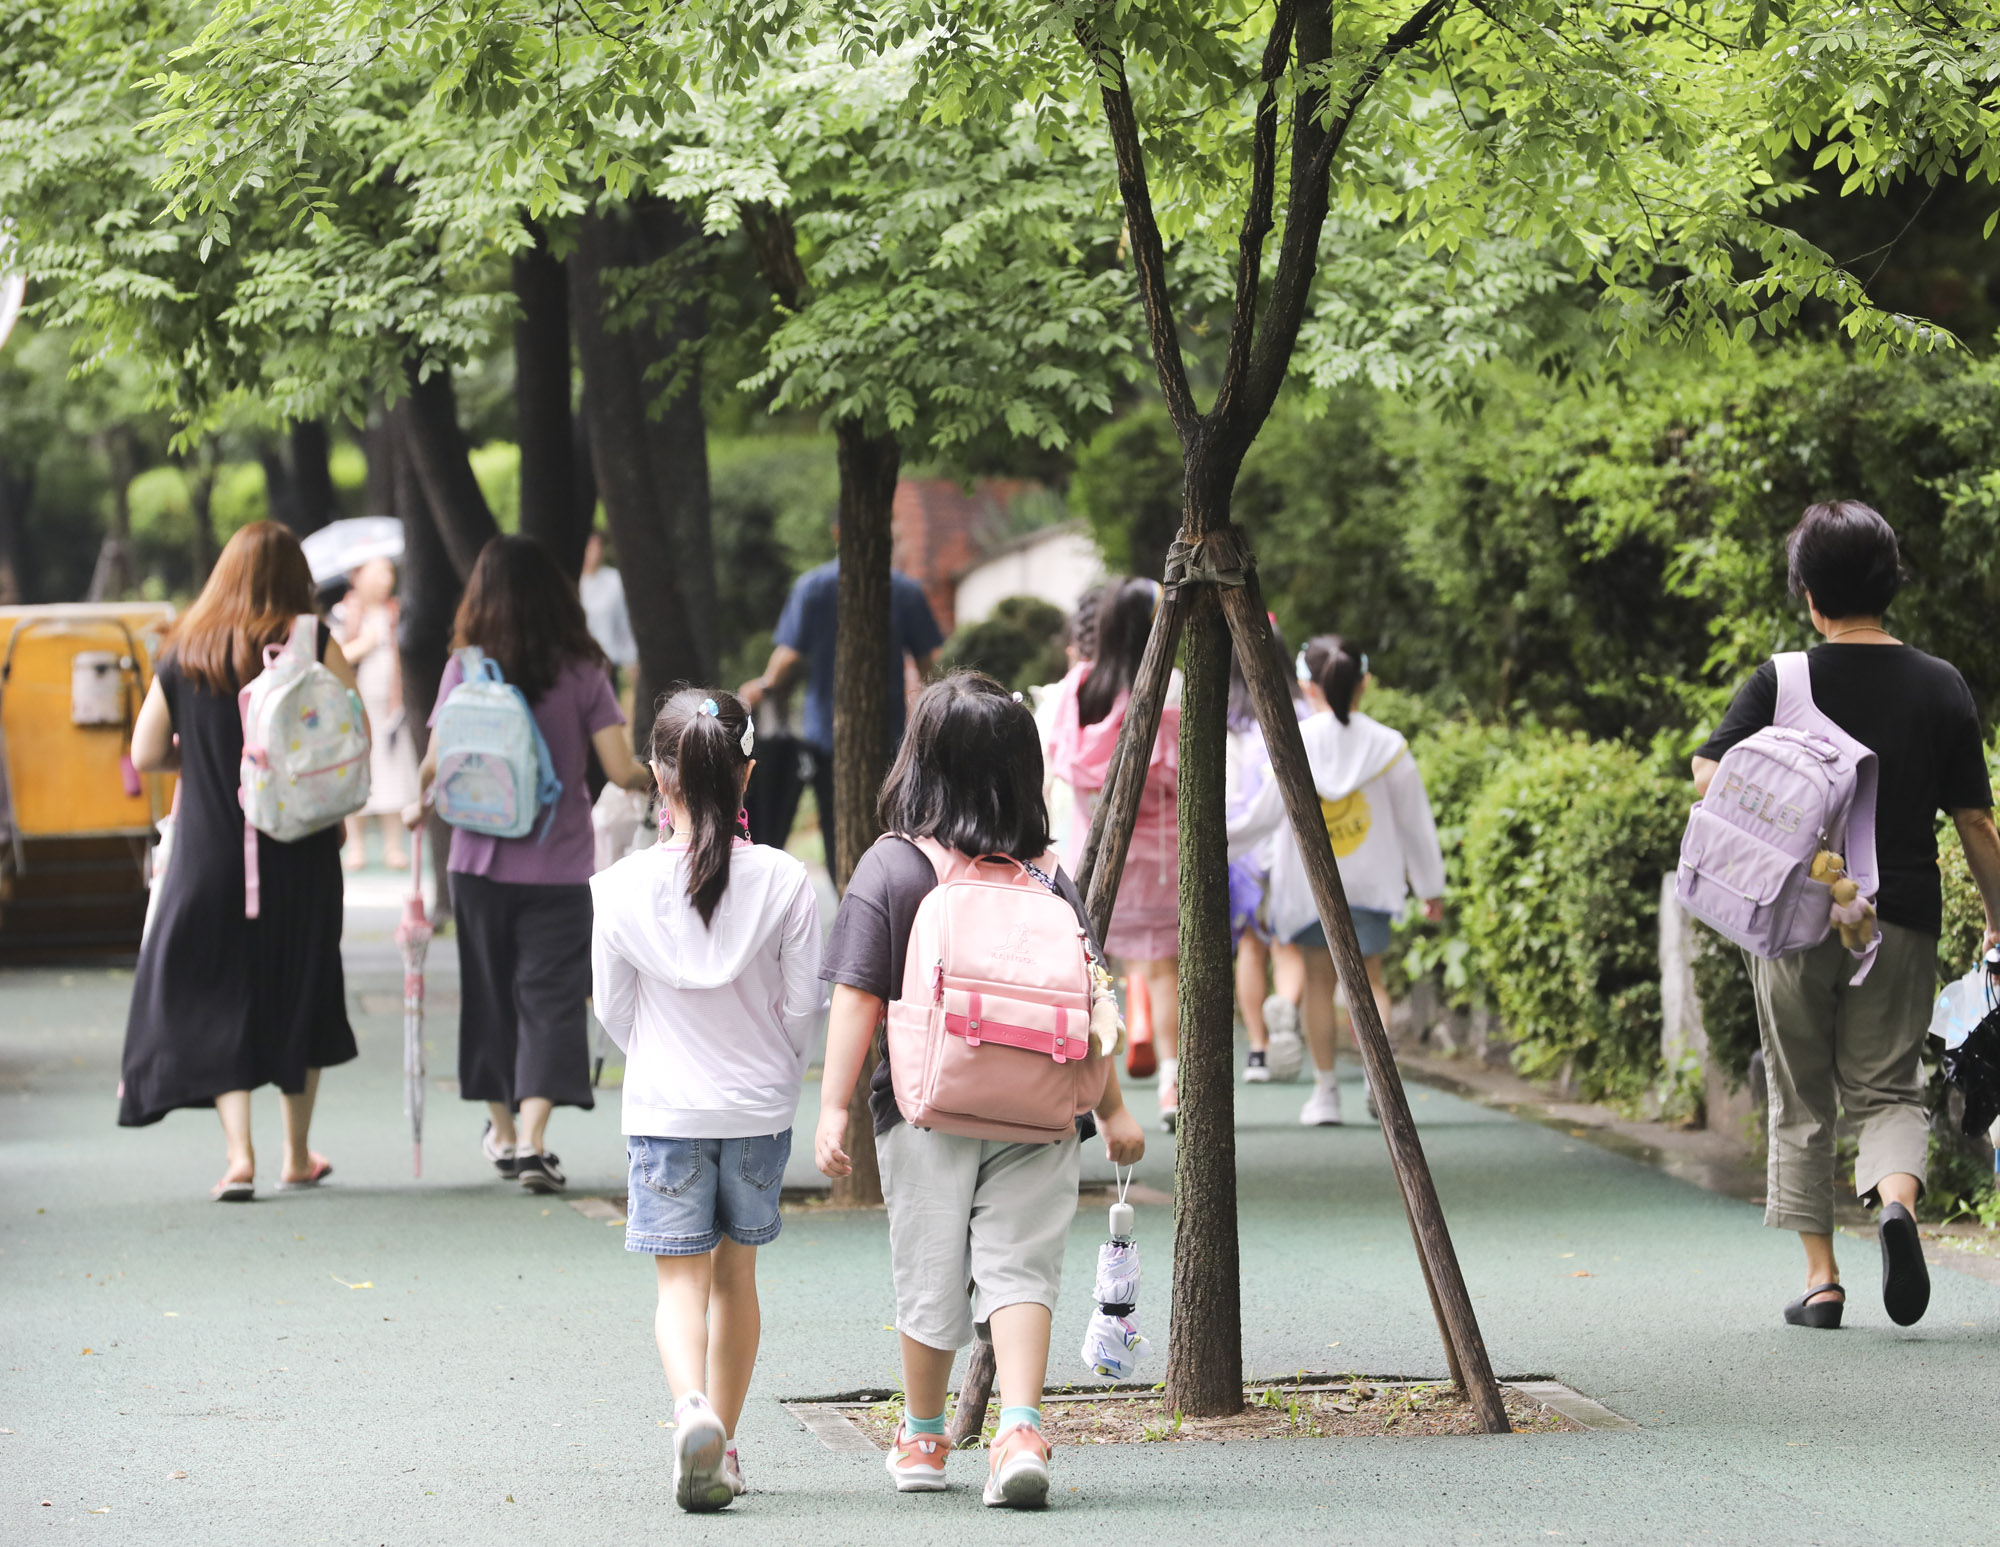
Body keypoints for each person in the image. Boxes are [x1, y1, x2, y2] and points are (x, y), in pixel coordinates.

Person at [815, 673, 1146, 1509]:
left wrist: (829, 1106)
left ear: (919, 764)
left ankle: (925, 1436)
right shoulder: (1046, 875)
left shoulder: (895, 865)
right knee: (1021, 1268)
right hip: (1041, 1109)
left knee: (928, 1270)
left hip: (926, 1108)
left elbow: (858, 994)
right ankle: (1021, 1429)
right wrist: (1110, 1109)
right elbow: (1089, 998)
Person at [1691, 500, 2000, 1330]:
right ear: (1891, 583)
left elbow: (1710, 778)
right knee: (1891, 1089)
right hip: (1900, 915)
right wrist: (1999, 920)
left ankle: (1823, 1281)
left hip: (1795, 916)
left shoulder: (1780, 679)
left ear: (1807, 592)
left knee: (1801, 1095)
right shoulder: (1941, 685)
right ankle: (1896, 1204)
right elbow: (1976, 821)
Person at [591, 688, 823, 1512]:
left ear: (661, 776)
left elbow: (612, 1011)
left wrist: (659, 1057)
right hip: (758, 1108)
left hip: (664, 1109)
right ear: (748, 773)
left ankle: (689, 1408)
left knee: (678, 1286)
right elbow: (803, 1008)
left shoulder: (617, 887)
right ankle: (721, 1439)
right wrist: (776, 1073)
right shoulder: (789, 881)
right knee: (737, 1278)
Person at [120, 521, 363, 1199]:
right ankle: (295, 1151)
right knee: (300, 983)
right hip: (302, 844)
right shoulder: (313, 641)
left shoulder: (187, 647)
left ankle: (238, 1155)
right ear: (296, 576)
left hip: (211, 847)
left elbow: (144, 754)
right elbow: (353, 734)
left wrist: (200, 757)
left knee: (221, 987)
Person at [407, 535, 654, 1193]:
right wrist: (655, 775)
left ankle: (505, 1133)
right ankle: (536, 1140)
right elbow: (618, 768)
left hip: (475, 861)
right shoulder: (583, 671)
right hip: (560, 863)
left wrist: (416, 800)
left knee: (488, 997)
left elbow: (434, 763)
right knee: (550, 998)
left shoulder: (464, 670)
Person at [1229, 635, 1445, 1127]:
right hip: (1370, 884)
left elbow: (1260, 820)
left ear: (1306, 686)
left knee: (1320, 985)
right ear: (1363, 682)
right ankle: (1378, 1081)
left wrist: (1205, 840)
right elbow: (1416, 825)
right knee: (1371, 982)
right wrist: (1430, 887)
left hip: (1308, 888)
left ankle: (1325, 1093)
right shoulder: (1388, 747)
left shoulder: (1291, 742)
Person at [1048, 577, 1183, 1129]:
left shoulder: (1075, 690)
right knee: (1161, 971)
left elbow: (1056, 765)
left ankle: (1104, 1100)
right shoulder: (1169, 689)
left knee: (1094, 977)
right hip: (1157, 859)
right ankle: (1173, 1082)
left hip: (1096, 854)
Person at [737, 548, 944, 879]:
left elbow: (788, 657)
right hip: (888, 735)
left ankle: (846, 889)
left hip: (825, 737)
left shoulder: (813, 586)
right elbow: (926, 663)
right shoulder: (903, 590)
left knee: (836, 827)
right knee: (889, 823)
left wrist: (762, 687)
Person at [1225, 614, 1308, 1083]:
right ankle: (1286, 1009)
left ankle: (1257, 1049)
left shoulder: (1227, 724)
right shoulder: (1304, 716)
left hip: (1243, 849)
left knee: (1250, 949)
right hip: (1294, 846)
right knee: (1288, 942)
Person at [333, 555, 418, 870]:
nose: (386, 579)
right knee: (356, 771)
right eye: (378, 571)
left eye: (389, 572)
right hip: (354, 707)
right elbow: (333, 655)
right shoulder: (343, 614)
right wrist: (364, 645)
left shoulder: (396, 613)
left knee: (392, 772)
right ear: (358, 575)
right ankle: (356, 845)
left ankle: (393, 846)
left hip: (391, 709)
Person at [578, 527, 637, 686]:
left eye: (598, 545)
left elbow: (624, 622)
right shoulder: (572, 583)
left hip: (608, 666)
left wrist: (630, 659)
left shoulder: (613, 581)